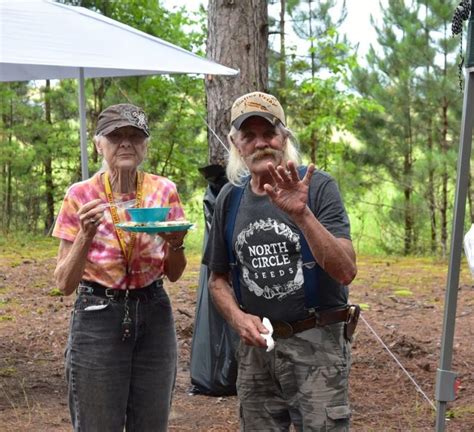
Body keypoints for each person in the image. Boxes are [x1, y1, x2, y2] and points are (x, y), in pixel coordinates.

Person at [203, 91, 358, 431]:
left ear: (284, 136)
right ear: (236, 143)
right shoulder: (230, 197)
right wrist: (238, 318)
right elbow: (218, 280)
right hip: (256, 353)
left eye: (269, 133)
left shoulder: (317, 187)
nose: (261, 143)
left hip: (317, 345)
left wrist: (302, 215)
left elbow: (345, 271)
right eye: (249, 135)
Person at [53, 103, 188, 431]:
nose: (125, 143)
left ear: (145, 145)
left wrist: (176, 243)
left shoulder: (163, 190)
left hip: (154, 311)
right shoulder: (80, 196)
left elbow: (174, 272)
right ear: (99, 144)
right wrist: (86, 233)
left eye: (134, 135)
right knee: (98, 422)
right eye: (116, 135)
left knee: (152, 421)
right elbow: (63, 283)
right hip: (98, 312)